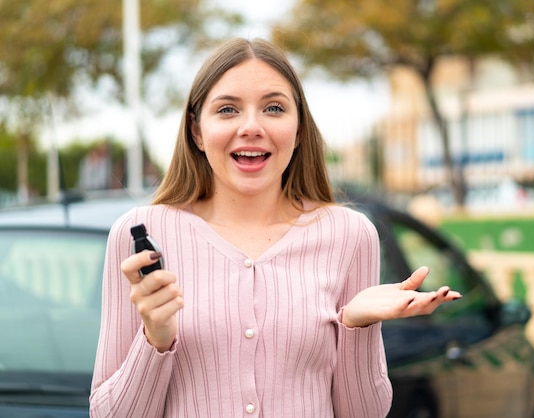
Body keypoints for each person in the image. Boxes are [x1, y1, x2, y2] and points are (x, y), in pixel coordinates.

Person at [89, 37, 461, 418]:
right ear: (197, 131)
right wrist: (156, 338)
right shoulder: (139, 236)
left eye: (273, 108)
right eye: (228, 109)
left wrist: (355, 325)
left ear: (299, 128)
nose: (251, 127)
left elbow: (363, 414)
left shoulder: (351, 235)